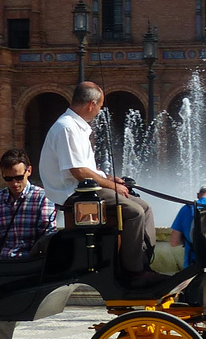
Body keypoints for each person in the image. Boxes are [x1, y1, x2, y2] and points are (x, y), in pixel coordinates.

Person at [39, 81, 157, 285]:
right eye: (100, 106)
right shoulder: (67, 128)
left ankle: (143, 263)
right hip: (74, 195)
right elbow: (78, 171)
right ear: (91, 104)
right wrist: (112, 186)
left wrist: (110, 179)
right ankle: (133, 273)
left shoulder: (75, 127)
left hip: (86, 190)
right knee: (134, 212)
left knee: (145, 208)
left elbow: (85, 169)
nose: (99, 111)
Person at [0, 148, 56, 259]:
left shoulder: (43, 197)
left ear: (29, 171)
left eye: (19, 177)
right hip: (3, 264)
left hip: (32, 264)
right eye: (8, 178)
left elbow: (48, 239)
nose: (14, 183)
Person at [169, 184, 206, 269]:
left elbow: (174, 242)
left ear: (198, 195)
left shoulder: (186, 209)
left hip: (192, 267)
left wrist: (188, 241)